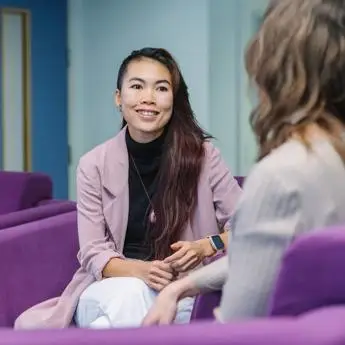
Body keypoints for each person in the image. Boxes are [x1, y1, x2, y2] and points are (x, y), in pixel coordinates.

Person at [142, 0, 345, 326]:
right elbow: (264, 256)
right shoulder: (332, 158)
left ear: (273, 71)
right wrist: (183, 286)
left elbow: (238, 330)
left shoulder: (279, 176)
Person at [14, 47, 242, 329]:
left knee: (105, 326)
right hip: (112, 286)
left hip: (181, 290)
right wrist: (141, 271)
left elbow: (248, 226)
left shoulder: (203, 157)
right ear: (119, 98)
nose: (148, 98)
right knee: (131, 295)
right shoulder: (93, 165)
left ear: (173, 99)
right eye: (137, 86)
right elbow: (93, 251)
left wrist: (206, 246)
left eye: (161, 88)